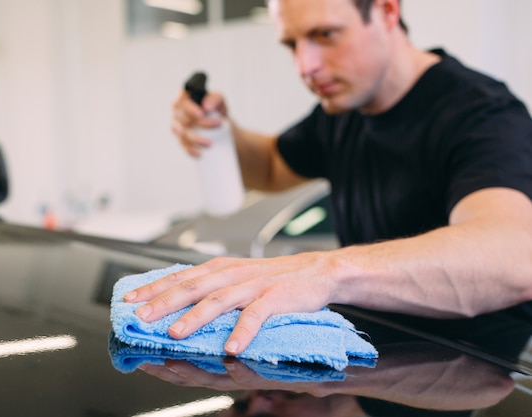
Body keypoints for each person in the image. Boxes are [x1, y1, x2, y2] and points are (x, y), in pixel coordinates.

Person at [124, 0, 532, 356]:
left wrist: (327, 272)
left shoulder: (482, 114)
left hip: (479, 378)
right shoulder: (343, 111)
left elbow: (513, 256)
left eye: (326, 34)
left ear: (387, 9)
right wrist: (220, 131)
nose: (306, 65)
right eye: (291, 43)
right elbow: (269, 166)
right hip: (373, 368)